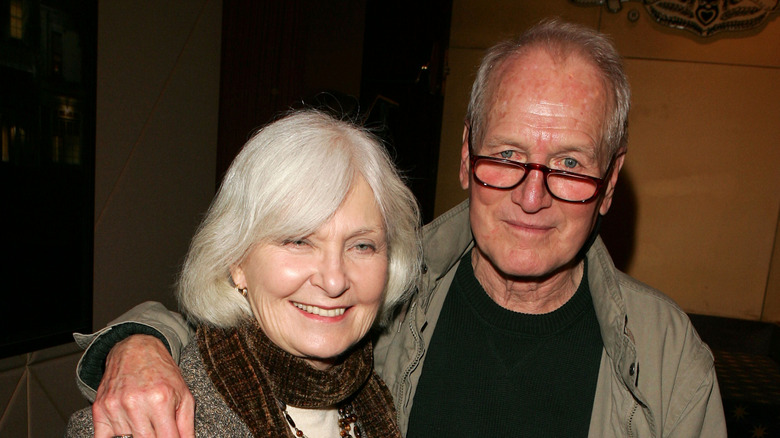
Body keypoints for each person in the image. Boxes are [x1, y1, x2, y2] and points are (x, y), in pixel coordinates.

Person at [71, 19, 726, 437]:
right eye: (506, 156)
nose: (532, 195)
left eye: (570, 165)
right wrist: (135, 345)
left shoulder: (668, 361)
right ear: (467, 157)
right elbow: (241, 330)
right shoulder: (392, 299)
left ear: (610, 182)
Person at [66, 109, 422, 437]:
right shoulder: (140, 423)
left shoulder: (386, 394)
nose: (333, 280)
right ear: (236, 262)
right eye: (298, 241)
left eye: (361, 246)